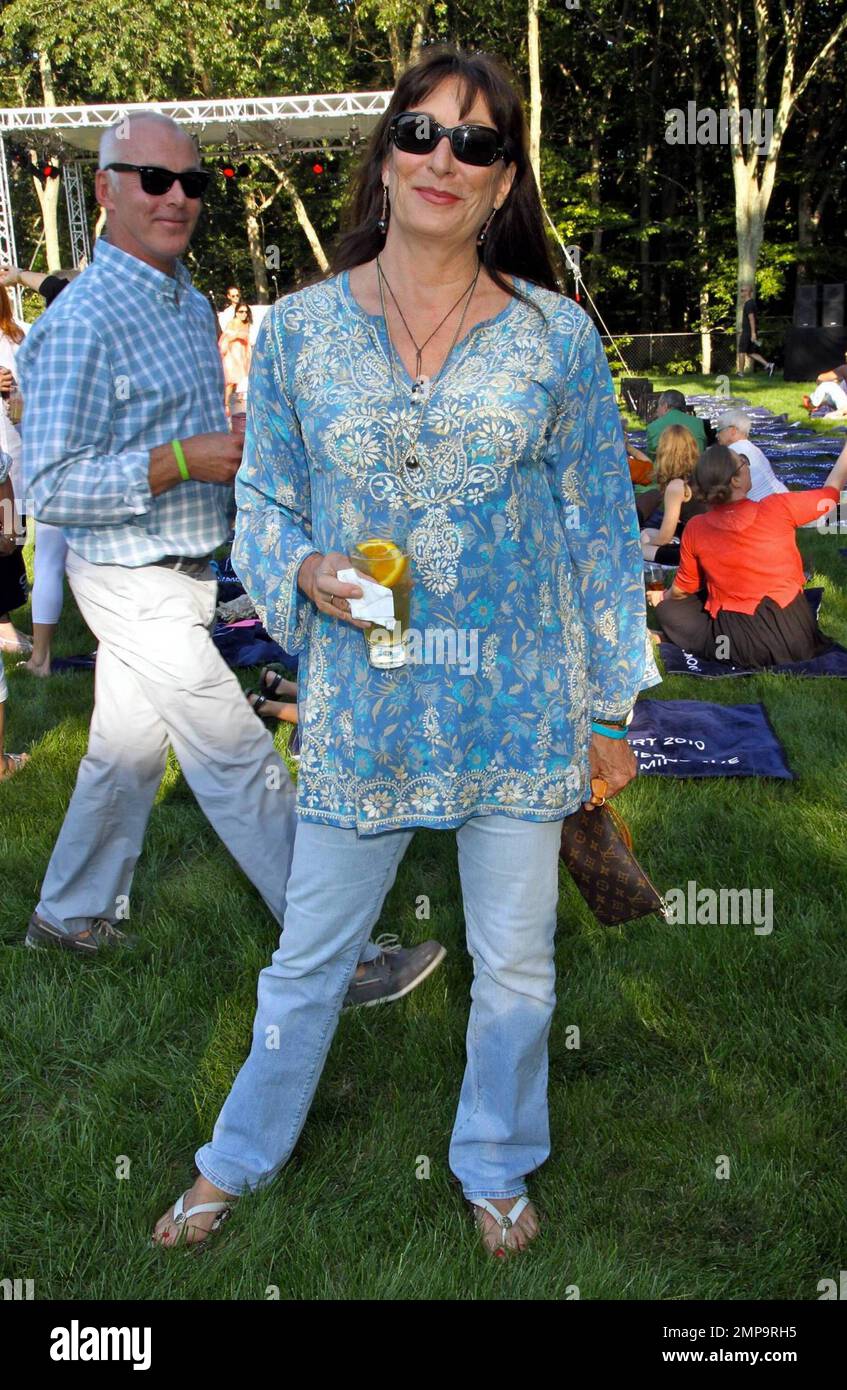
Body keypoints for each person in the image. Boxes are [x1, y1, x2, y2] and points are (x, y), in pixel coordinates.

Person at [153, 46, 657, 1257]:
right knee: (311, 955)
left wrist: (608, 708)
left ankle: (493, 1160)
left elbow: (597, 525)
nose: (444, 158)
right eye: (420, 134)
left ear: (502, 183)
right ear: (384, 159)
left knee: (518, 964)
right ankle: (236, 1158)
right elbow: (266, 500)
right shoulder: (300, 332)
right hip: (364, 700)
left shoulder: (556, 339)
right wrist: (300, 571)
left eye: (476, 143)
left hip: (518, 699)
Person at [16, 112, 438, 1003]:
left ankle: (69, 915)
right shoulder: (79, 320)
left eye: (193, 183)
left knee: (122, 755)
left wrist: (232, 448)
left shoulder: (188, 300)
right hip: (128, 574)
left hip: (189, 571)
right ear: (104, 189)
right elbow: (48, 486)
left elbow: (195, 441)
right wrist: (184, 462)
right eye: (152, 180)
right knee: (239, 755)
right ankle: (344, 955)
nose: (177, 199)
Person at [654, 442, 847, 666]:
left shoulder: (696, 527)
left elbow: (683, 589)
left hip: (738, 642)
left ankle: (670, 638)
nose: (747, 465)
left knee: (669, 609)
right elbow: (830, 496)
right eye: (743, 461)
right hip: (796, 636)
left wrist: (661, 598)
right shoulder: (779, 507)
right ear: (735, 481)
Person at [0, 284, 30, 653]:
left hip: (14, 446)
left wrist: (17, 388)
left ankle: (6, 618)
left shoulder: (17, 332)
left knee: (12, 531)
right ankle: (3, 625)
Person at [640, 424, 707, 563]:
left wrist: (648, 542)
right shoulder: (701, 474)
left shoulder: (676, 486)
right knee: (646, 533)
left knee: (637, 547)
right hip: (707, 543)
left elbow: (664, 538)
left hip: (694, 554)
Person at [714, 409, 788, 501]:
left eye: (719, 430)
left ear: (732, 431)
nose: (716, 435)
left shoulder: (732, 452)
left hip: (762, 508)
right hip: (782, 498)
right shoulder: (753, 448)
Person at [645, 389, 706, 460]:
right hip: (695, 469)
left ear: (665, 405)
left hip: (666, 469)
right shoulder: (698, 423)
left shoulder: (653, 427)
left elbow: (650, 459)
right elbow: (702, 449)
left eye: (658, 406)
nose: (657, 410)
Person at [219, 301, 252, 414]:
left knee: (241, 382)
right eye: (241, 311)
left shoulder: (247, 323)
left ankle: (239, 409)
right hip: (232, 356)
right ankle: (226, 405)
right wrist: (237, 335)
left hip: (243, 356)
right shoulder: (232, 323)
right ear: (236, 312)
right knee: (230, 382)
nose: (243, 314)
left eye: (246, 312)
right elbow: (225, 339)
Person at [738, 285, 775, 375]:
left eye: (743, 290)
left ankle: (741, 373)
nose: (741, 292)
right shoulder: (750, 303)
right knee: (750, 352)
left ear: (748, 292)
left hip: (748, 332)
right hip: (748, 331)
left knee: (741, 351)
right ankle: (769, 365)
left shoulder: (749, 304)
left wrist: (753, 333)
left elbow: (752, 319)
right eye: (741, 290)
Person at [801, 351, 847, 416]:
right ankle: (819, 403)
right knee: (839, 384)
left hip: (844, 406)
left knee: (829, 385)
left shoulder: (844, 369)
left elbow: (820, 378)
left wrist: (836, 379)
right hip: (842, 403)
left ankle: (813, 403)